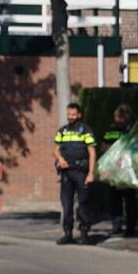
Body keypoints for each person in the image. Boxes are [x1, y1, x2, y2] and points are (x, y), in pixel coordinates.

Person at [53, 102, 97, 245]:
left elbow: (92, 152)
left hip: (81, 172)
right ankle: (67, 233)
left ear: (79, 115)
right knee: (67, 204)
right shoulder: (62, 131)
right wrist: (60, 159)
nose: (70, 117)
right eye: (69, 114)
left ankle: (84, 233)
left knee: (83, 203)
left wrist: (91, 173)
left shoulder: (86, 131)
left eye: (73, 114)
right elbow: (55, 150)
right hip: (66, 172)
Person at [101, 104, 138, 237]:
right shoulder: (110, 129)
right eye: (116, 117)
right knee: (114, 198)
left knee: (130, 199)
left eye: (120, 118)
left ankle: (131, 227)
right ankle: (116, 225)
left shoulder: (132, 131)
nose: (118, 120)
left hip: (127, 169)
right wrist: (110, 150)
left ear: (126, 118)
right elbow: (103, 146)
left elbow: (136, 149)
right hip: (114, 169)